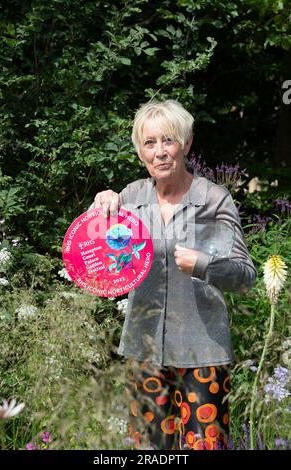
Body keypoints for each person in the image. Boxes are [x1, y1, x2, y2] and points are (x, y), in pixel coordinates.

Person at [90, 99, 256, 450]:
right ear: (140, 152)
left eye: (169, 141)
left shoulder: (214, 199)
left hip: (203, 354)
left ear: (187, 144)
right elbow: (94, 254)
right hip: (144, 350)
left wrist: (204, 264)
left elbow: (245, 276)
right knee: (149, 450)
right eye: (150, 143)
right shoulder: (130, 198)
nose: (161, 152)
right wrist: (100, 205)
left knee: (205, 446)